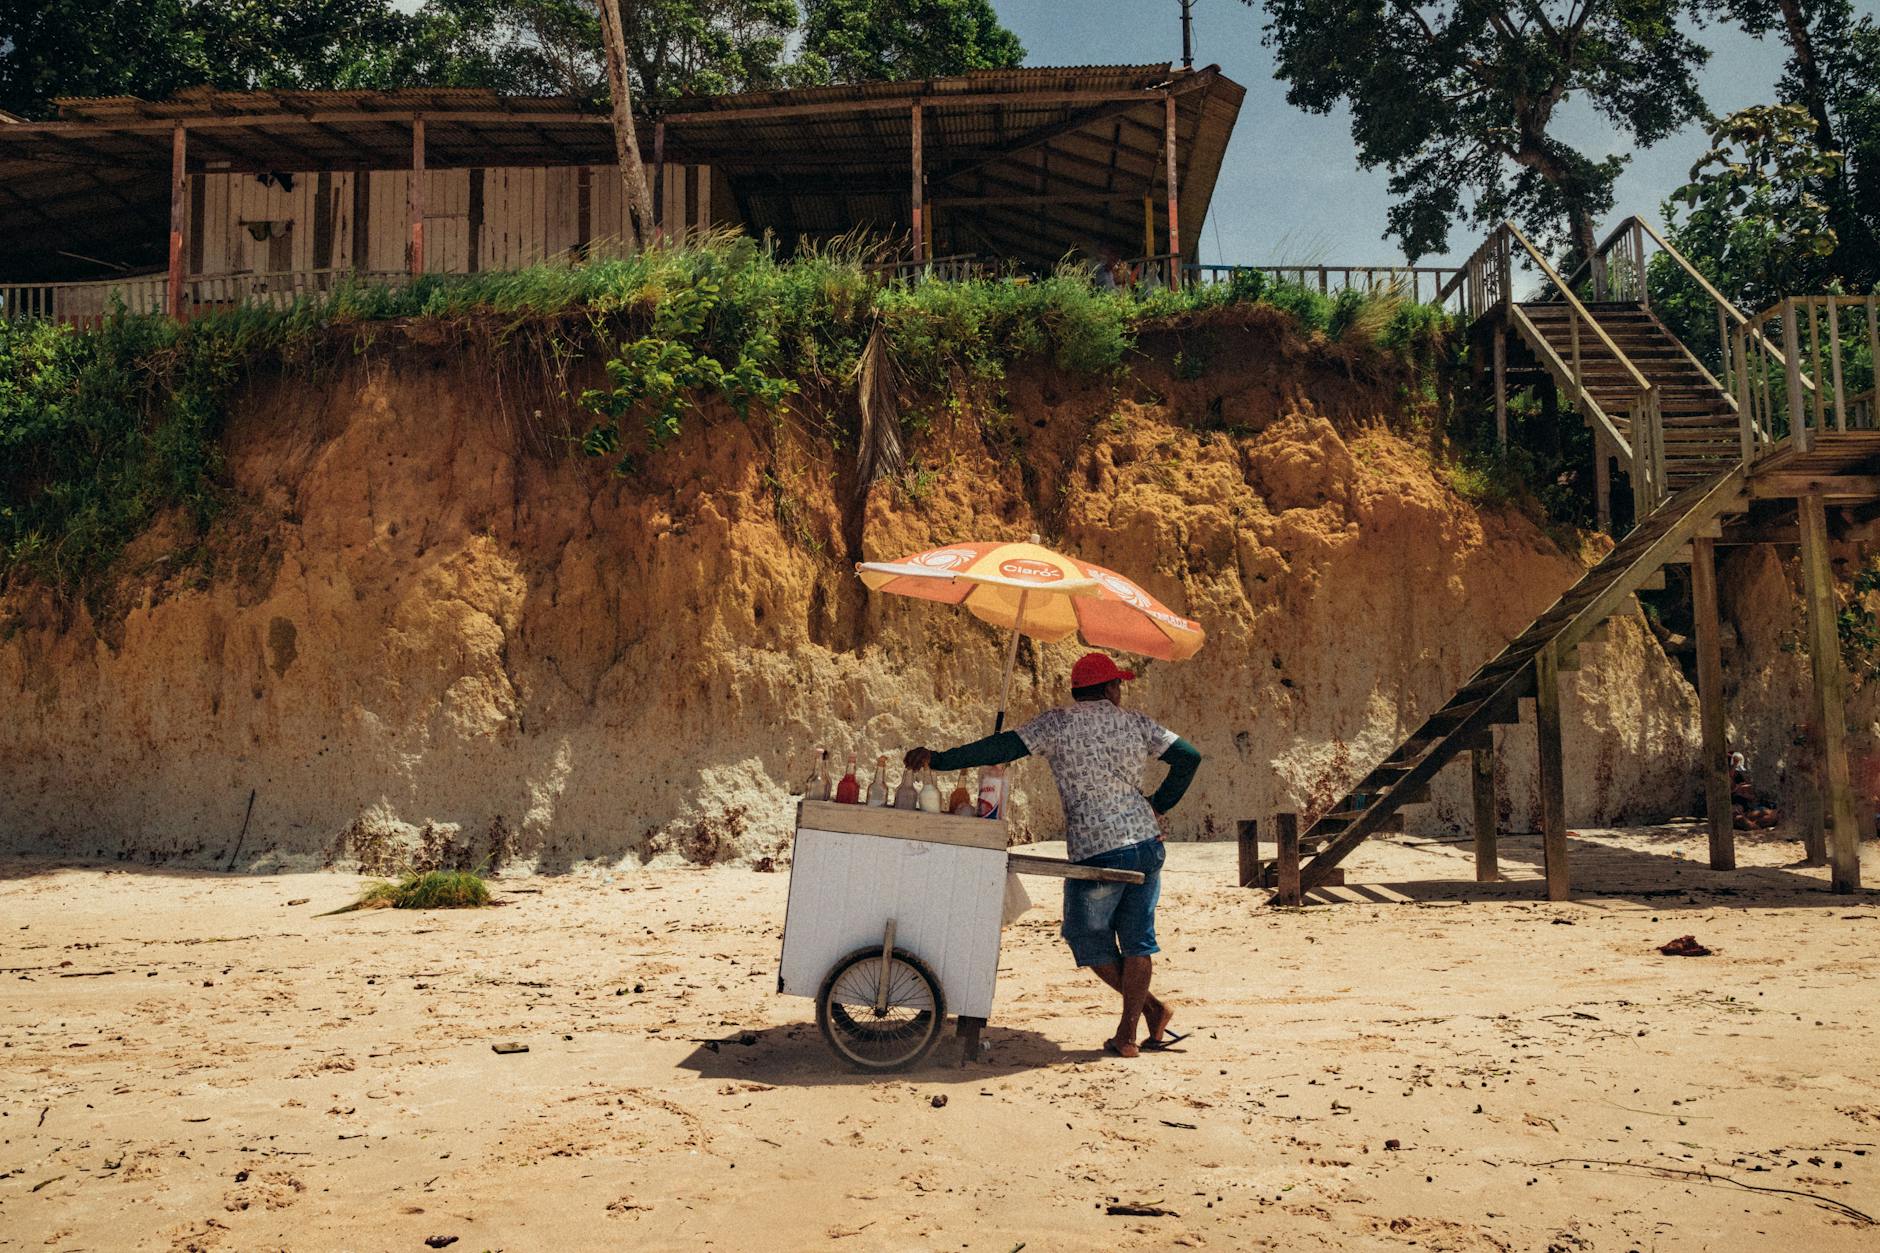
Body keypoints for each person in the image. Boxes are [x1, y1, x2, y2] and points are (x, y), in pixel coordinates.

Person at [904, 652, 1202, 1058]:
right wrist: (1158, 804)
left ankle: (1148, 1012)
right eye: (1118, 684)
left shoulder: (1057, 724)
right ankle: (1132, 1031)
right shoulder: (1136, 723)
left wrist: (939, 760)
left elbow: (1000, 747)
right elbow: (1189, 757)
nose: (1120, 691)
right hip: (1147, 844)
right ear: (1110, 688)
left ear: (1078, 691)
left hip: (1099, 850)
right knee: (1138, 941)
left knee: (1085, 936)